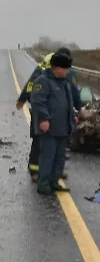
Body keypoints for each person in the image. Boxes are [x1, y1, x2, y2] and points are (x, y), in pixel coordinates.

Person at [16, 47, 81, 180]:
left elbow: (72, 91)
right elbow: (32, 83)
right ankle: (36, 170)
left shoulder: (53, 67)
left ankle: (52, 171)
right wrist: (23, 99)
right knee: (42, 140)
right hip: (43, 109)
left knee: (53, 144)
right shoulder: (53, 67)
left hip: (53, 112)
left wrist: (22, 100)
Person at [30, 51, 77, 195]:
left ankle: (54, 182)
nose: (67, 71)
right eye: (65, 68)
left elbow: (68, 102)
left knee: (59, 157)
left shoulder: (64, 82)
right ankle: (43, 185)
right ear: (57, 68)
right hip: (49, 128)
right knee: (48, 157)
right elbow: (37, 102)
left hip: (63, 127)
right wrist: (44, 119)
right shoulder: (42, 81)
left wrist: (72, 115)